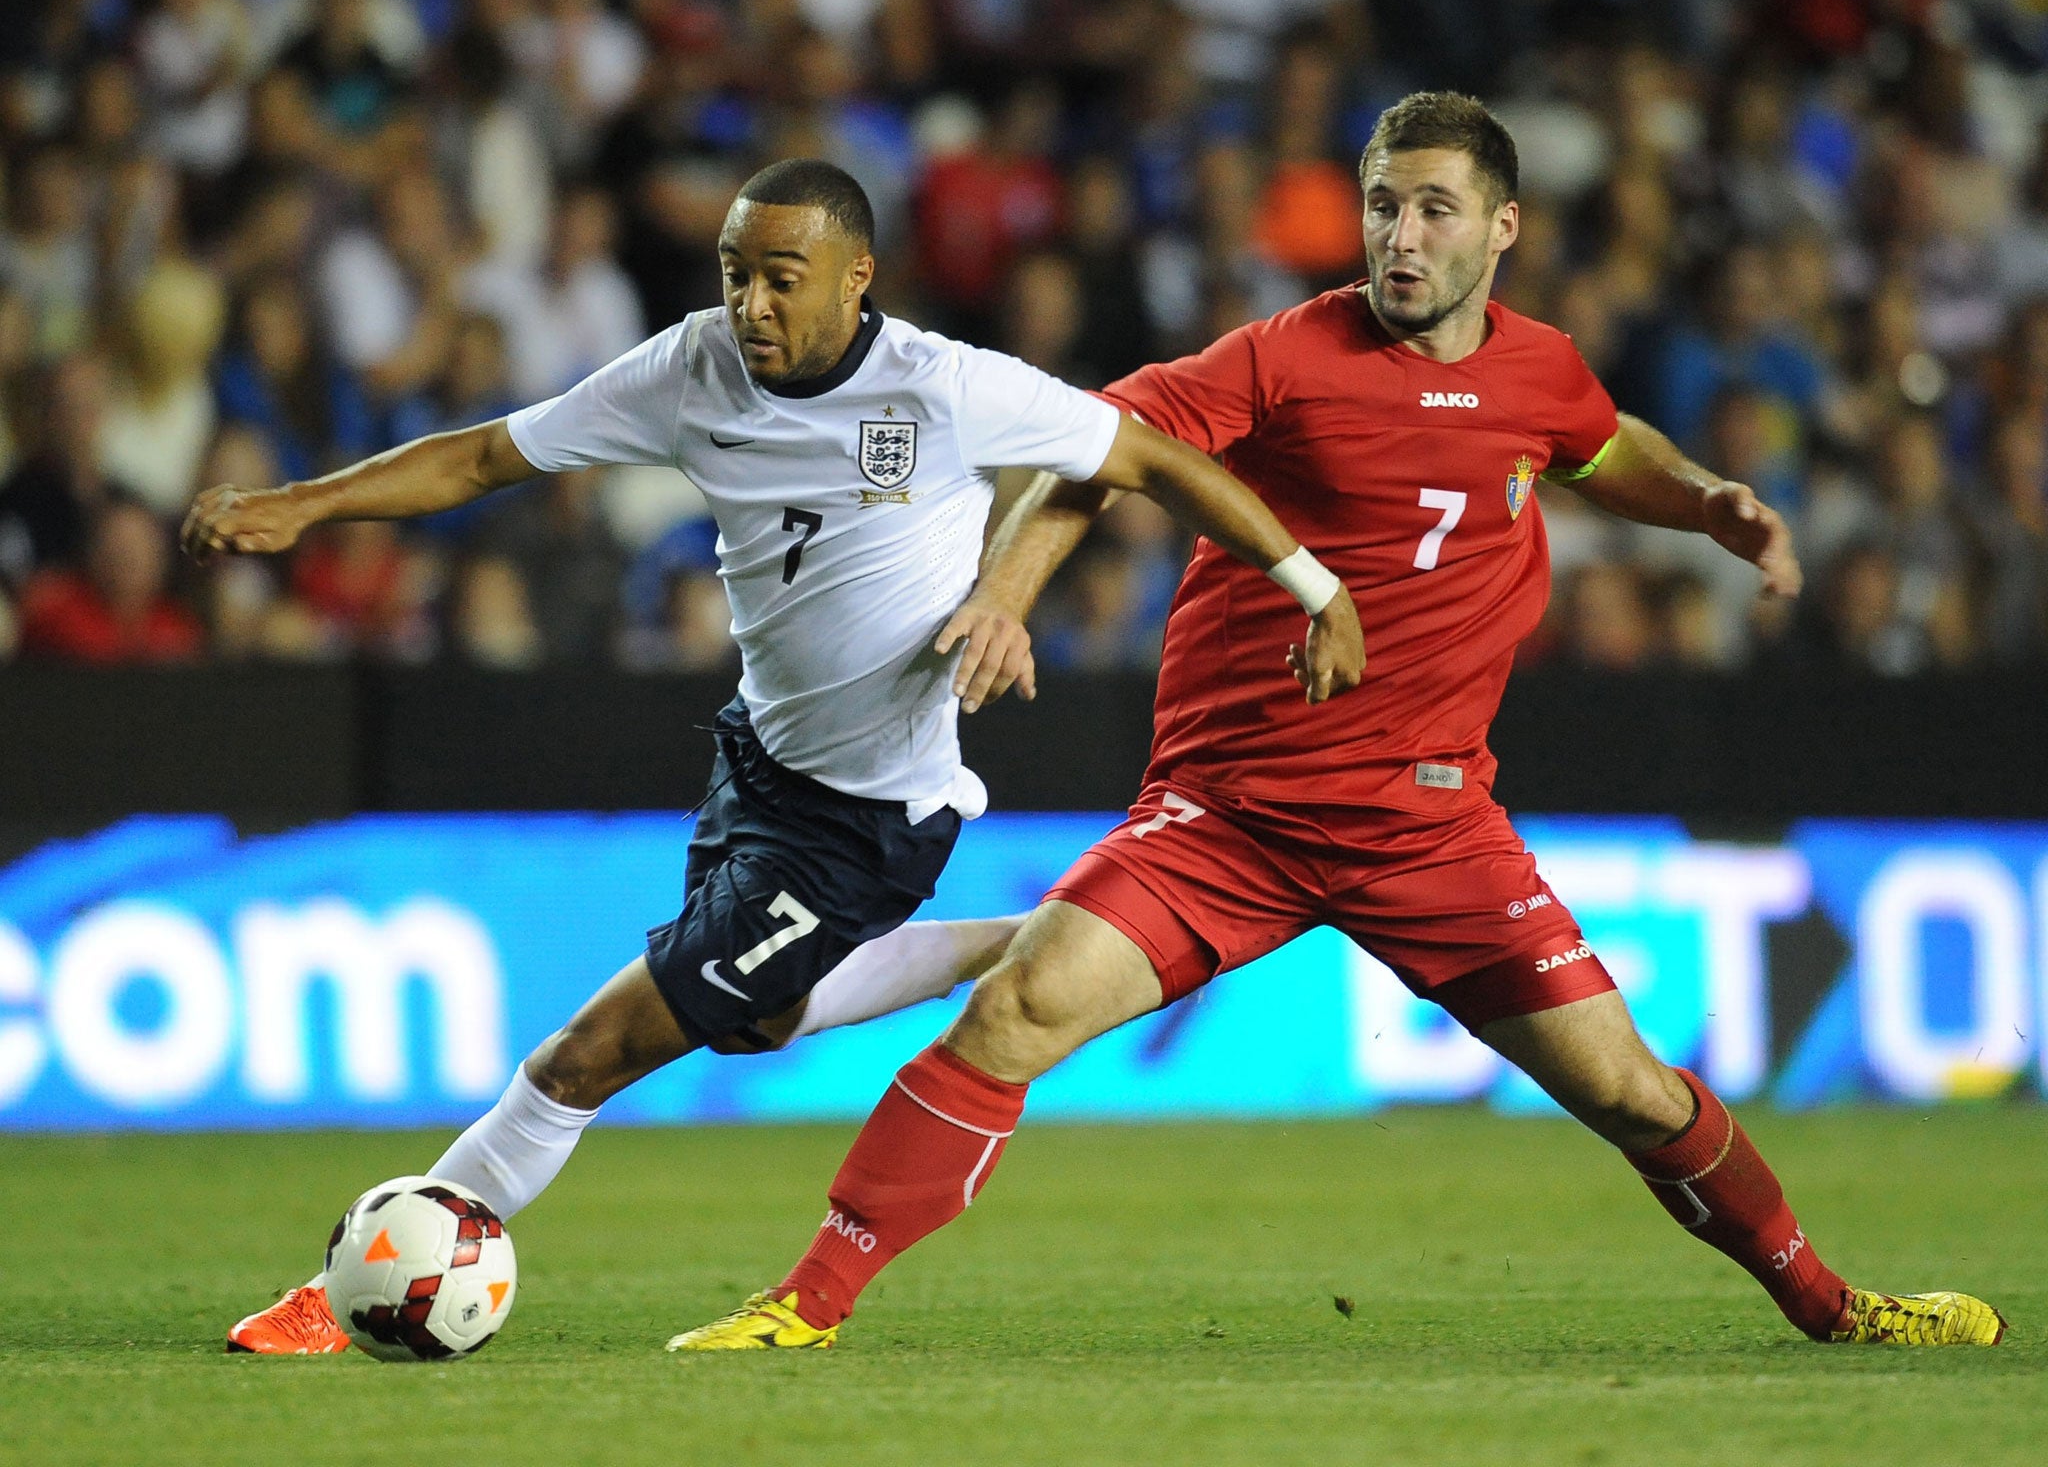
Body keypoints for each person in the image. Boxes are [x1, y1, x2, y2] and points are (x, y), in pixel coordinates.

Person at [670, 96, 2006, 1353]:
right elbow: (1098, 451)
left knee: (1637, 1095)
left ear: (1503, 229)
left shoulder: (1540, 372)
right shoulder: (1287, 356)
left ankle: (1840, 1310)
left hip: (1431, 827)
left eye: (1432, 210)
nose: (1399, 238)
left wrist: (1708, 499)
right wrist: (1007, 595)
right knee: (1019, 1010)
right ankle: (806, 1304)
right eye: (1381, 208)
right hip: (1232, 819)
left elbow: (1602, 445)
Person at [186, 158, 1364, 1354]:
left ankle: (349, 1298)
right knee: (752, 1021)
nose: (750, 303)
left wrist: (1313, 587)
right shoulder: (692, 367)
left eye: (779, 280)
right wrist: (305, 504)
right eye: (734, 273)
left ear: (856, 280)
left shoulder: (943, 388)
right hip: (756, 761)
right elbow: (490, 454)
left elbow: (1148, 457)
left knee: (583, 1055)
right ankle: (1033, 941)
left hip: (863, 825)